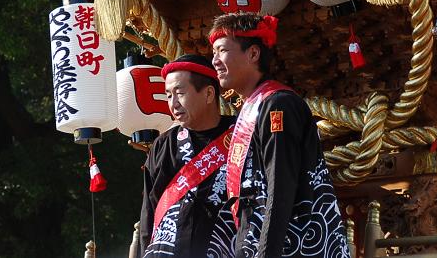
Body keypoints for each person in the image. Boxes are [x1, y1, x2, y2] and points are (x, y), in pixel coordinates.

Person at [210, 13, 349, 258]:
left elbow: (280, 185)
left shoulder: (279, 105)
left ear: (253, 54)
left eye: (221, 50)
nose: (215, 61)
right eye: (214, 53)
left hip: (293, 247)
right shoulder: (254, 107)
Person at [140, 54, 237, 258]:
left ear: (209, 94)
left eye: (180, 93)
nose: (173, 104)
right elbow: (149, 212)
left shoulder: (242, 134)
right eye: (168, 95)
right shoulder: (163, 145)